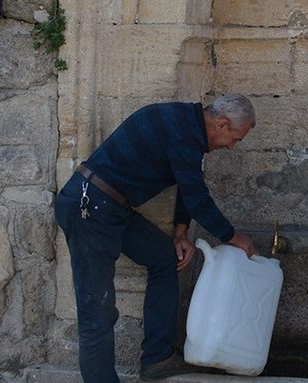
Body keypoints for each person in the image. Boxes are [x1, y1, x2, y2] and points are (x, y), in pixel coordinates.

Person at [53, 94, 260, 382]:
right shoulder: (184, 132)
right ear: (222, 124)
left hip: (112, 207)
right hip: (90, 207)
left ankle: (158, 359)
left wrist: (180, 232)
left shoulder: (188, 127)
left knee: (164, 258)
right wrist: (234, 237)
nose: (232, 147)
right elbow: (198, 199)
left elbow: (190, 182)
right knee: (97, 310)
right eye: (235, 139)